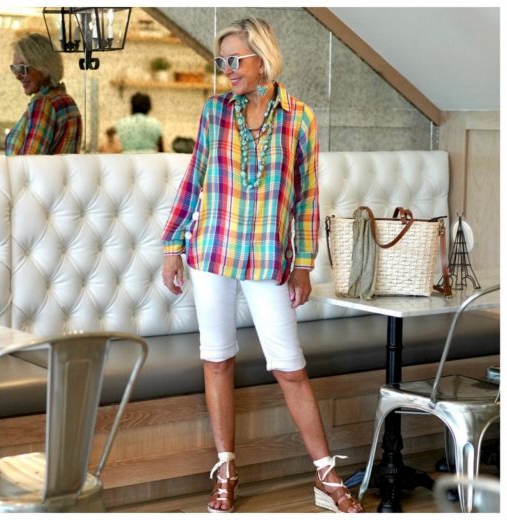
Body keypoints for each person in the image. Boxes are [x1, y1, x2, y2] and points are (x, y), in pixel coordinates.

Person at [159, 18, 363, 514]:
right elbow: (194, 181)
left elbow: (307, 197)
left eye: (236, 60)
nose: (227, 70)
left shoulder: (299, 118)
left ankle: (325, 475)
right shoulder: (215, 113)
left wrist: (303, 263)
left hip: (269, 260)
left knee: (289, 368)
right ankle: (226, 470)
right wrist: (172, 245)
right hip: (211, 254)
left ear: (263, 60)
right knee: (217, 359)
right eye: (222, 61)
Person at [5, 33, 82, 156]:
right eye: (14, 69)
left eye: (23, 69)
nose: (18, 76)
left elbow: (30, 164)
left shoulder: (44, 105)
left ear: (44, 69)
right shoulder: (67, 101)